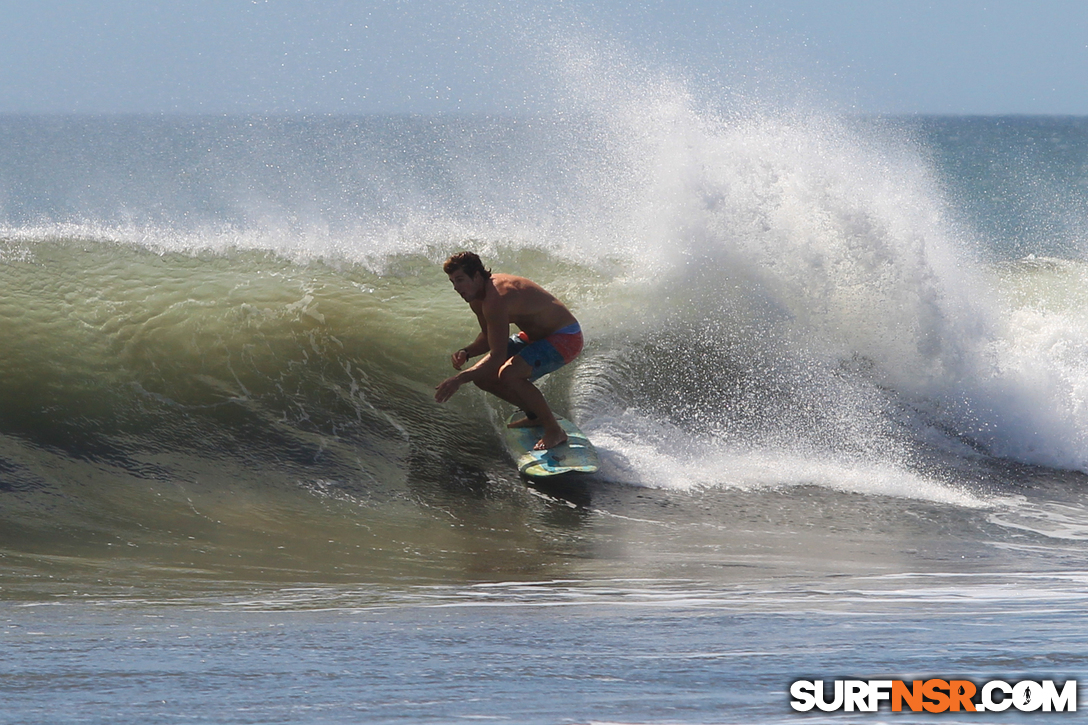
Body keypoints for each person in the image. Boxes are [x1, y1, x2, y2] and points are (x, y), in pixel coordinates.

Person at [434, 251, 583, 450]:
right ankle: (535, 416)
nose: (456, 288)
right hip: (534, 337)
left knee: (509, 374)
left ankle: (555, 430)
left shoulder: (497, 297)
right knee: (482, 377)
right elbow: (489, 337)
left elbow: (497, 357)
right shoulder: (477, 297)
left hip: (566, 337)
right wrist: (467, 352)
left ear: (477, 276)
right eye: (453, 282)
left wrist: (459, 379)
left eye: (460, 280)